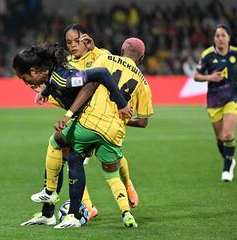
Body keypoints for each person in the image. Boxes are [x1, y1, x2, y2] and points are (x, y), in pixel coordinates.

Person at [13, 43, 132, 225]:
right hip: (89, 120)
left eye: (24, 78)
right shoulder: (53, 75)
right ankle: (54, 213)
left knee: (57, 143)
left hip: (93, 120)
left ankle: (59, 202)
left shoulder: (65, 78)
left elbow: (100, 74)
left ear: (35, 70)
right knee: (68, 155)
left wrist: (121, 102)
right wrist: (46, 91)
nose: (26, 83)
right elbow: (55, 83)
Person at [52, 37, 153, 228]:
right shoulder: (144, 83)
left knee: (60, 145)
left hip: (90, 122)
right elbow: (142, 122)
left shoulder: (107, 59)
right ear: (142, 57)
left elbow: (89, 84)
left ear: (122, 48)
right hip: (114, 131)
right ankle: (126, 213)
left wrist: (68, 112)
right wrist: (121, 118)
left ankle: (64, 200)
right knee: (112, 175)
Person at [194, 24, 237, 182]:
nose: (220, 38)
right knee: (220, 138)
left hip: (233, 97)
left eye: (223, 35)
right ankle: (229, 159)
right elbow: (196, 75)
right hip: (214, 100)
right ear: (214, 39)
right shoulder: (207, 55)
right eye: (217, 36)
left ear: (228, 37)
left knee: (228, 134)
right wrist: (210, 77)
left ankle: (227, 169)